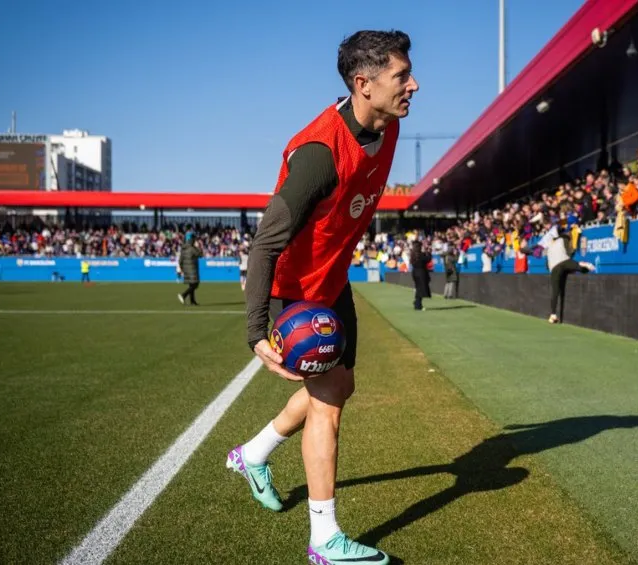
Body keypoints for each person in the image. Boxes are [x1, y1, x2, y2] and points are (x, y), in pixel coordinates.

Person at [227, 30, 416, 565]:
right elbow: (265, 241)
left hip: (334, 281)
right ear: (364, 84)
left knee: (339, 387)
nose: (413, 84)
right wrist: (255, 332)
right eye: (401, 76)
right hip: (296, 291)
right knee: (328, 403)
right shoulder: (318, 153)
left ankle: (253, 453)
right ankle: (324, 538)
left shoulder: (390, 121)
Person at [529, 223, 594, 324]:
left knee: (555, 291)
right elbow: (569, 253)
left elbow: (547, 263)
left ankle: (553, 314)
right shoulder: (564, 239)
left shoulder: (550, 245)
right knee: (577, 267)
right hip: (565, 261)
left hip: (554, 267)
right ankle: (583, 266)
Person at [177, 234, 201, 305]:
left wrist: (182, 268)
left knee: (191, 285)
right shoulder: (192, 248)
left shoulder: (183, 248)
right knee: (195, 284)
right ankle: (183, 295)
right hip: (192, 268)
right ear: (192, 240)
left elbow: (180, 260)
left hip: (186, 269)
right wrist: (197, 246)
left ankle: (192, 301)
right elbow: (200, 254)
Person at [410, 240, 431, 310]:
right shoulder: (420, 254)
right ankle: (418, 304)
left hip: (415, 272)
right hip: (421, 273)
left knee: (418, 288)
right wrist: (428, 252)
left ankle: (417, 302)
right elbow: (428, 259)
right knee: (421, 289)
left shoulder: (413, 254)